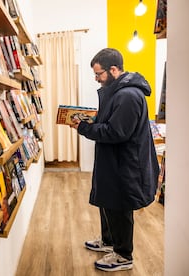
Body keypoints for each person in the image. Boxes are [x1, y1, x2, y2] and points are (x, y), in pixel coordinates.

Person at [70, 48, 159, 272]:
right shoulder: (116, 91)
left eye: (98, 74)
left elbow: (116, 132)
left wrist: (83, 128)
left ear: (113, 70)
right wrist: (89, 120)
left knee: (119, 208)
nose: (97, 79)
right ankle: (109, 241)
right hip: (114, 162)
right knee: (107, 202)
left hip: (125, 165)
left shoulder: (128, 95)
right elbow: (110, 122)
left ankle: (123, 255)